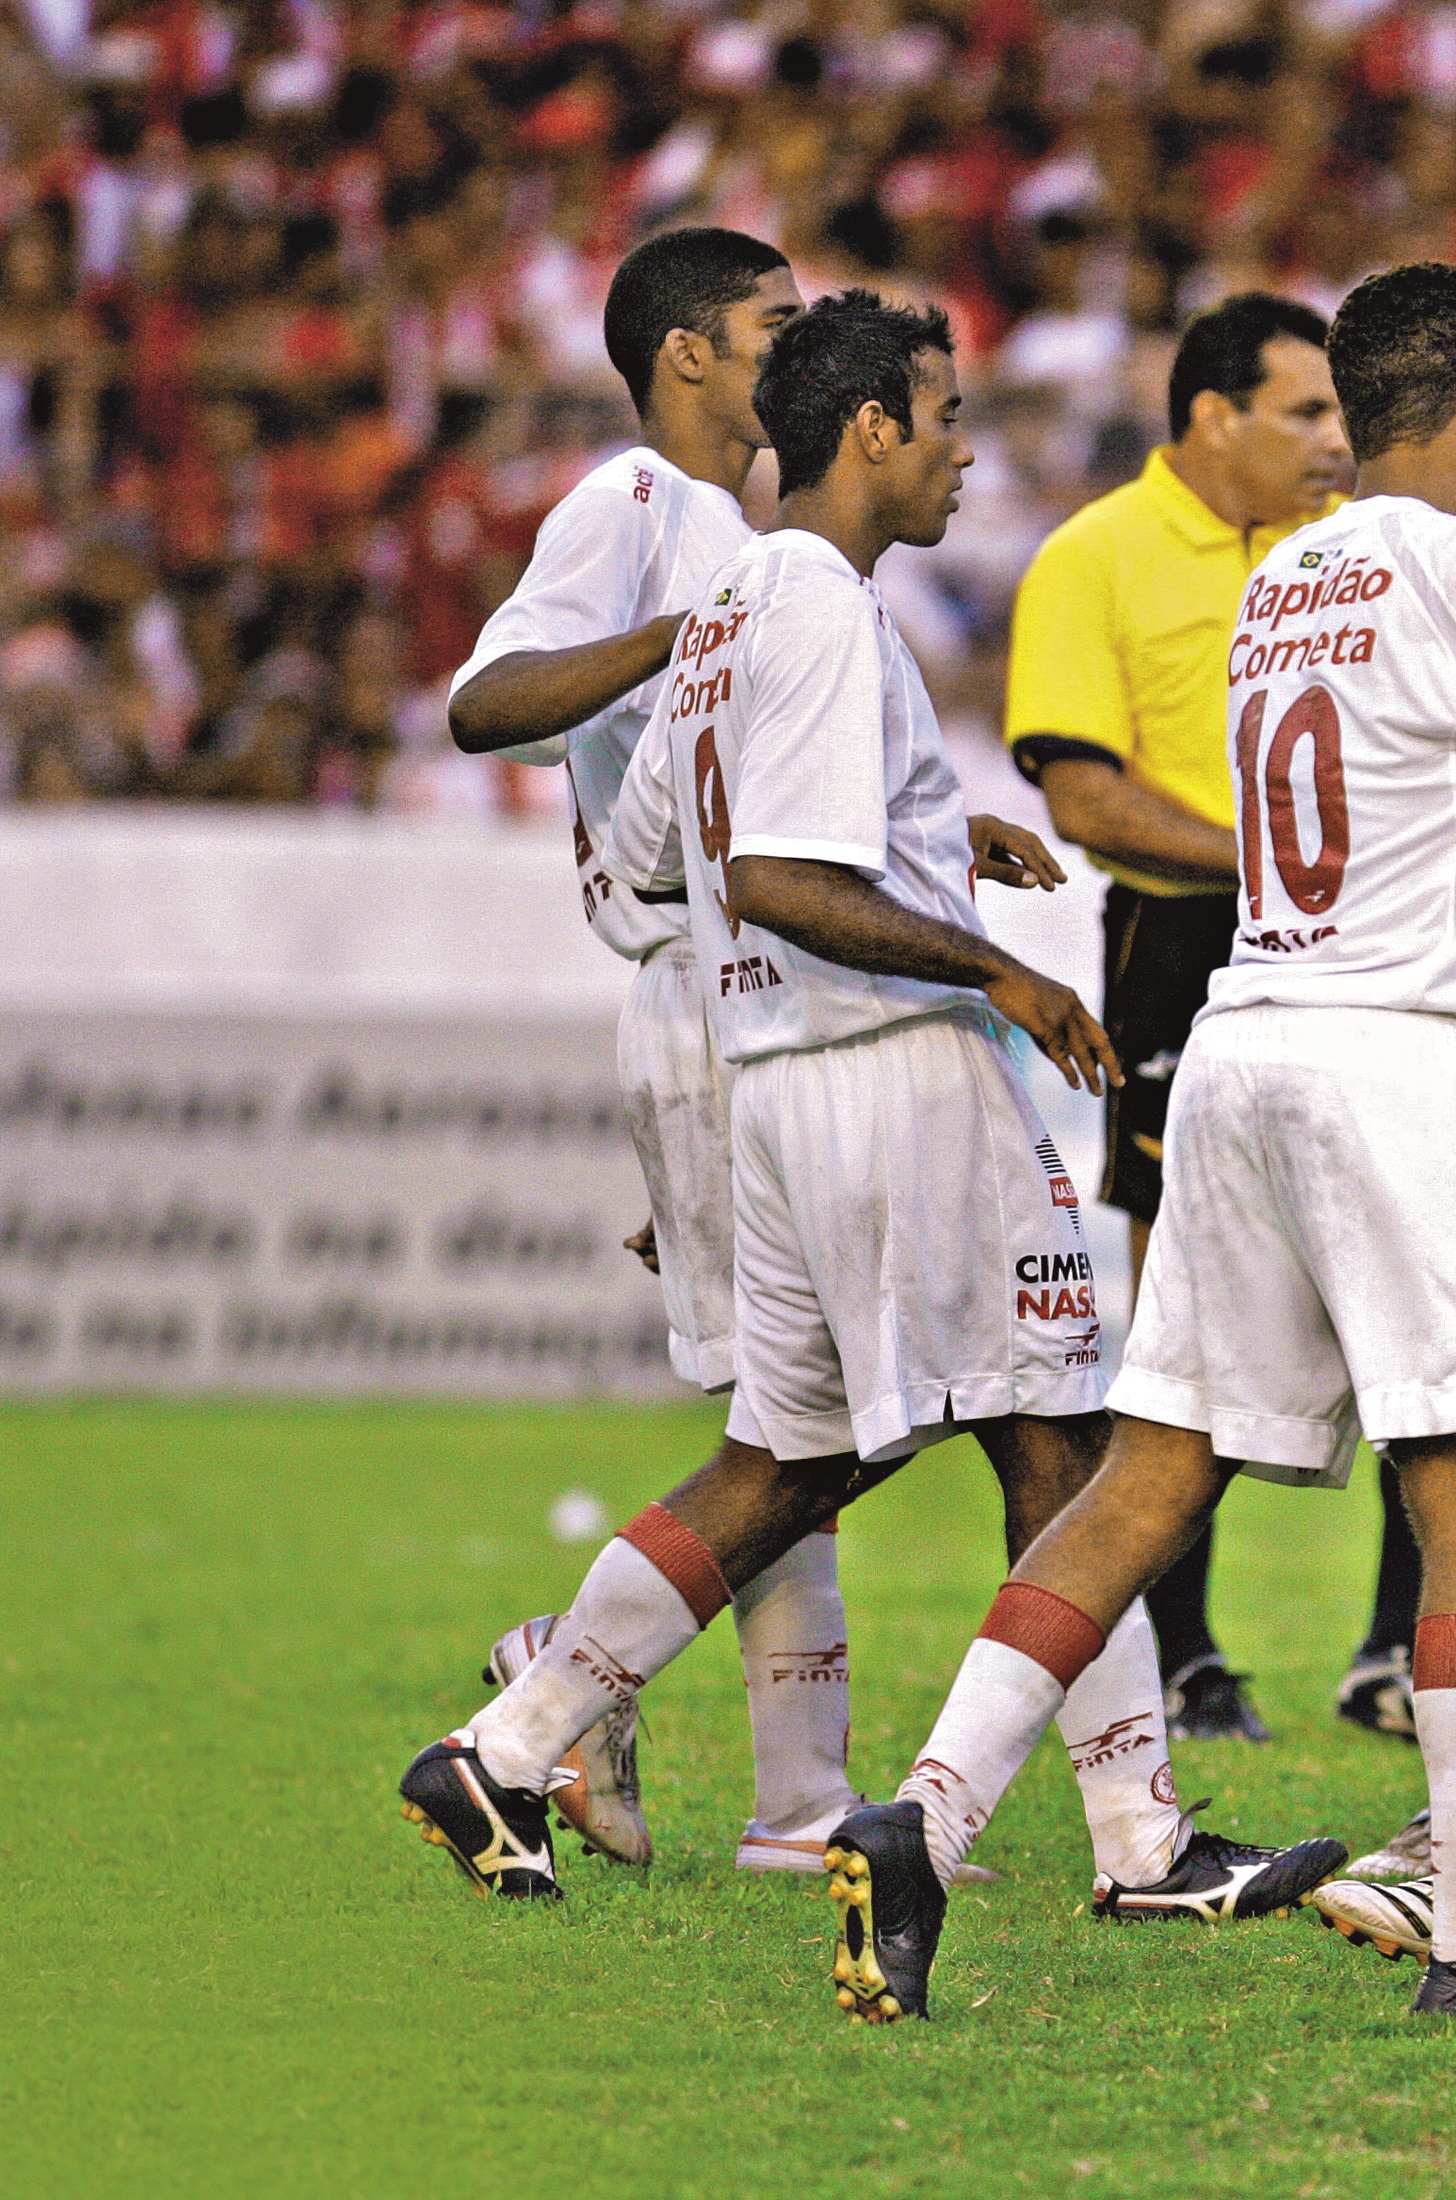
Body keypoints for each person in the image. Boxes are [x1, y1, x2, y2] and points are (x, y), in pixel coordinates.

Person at [808, 262, 1456, 2025]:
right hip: (1411, 1055)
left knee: (1150, 1478)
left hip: (1253, 1034)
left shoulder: (1288, 578)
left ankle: (923, 1815)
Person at [403, 293, 1343, 1937]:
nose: (966, 451)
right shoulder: (825, 611)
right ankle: (1143, 1845)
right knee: (1063, 1442)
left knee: (788, 1458)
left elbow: (658, 860)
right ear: (868, 434)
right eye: (944, 416)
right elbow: (775, 874)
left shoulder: (725, 612)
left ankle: (510, 1739)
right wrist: (1003, 969)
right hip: (891, 1074)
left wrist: (920, 837)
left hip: (770, 1084)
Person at [435, 225, 842, 1876]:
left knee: (805, 1409)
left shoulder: (767, 531)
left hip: (763, 995)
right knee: (804, 1417)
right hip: (699, 987)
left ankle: (784, 1800)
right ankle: (572, 1714)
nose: (801, 356)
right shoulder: (634, 508)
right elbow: (483, 699)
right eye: (777, 329)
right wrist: (685, 639)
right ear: (690, 353)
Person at [1001, 293, 1352, 1744]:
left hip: (1353, 937)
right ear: (1215, 418)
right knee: (1182, 1294)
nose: (1338, 441)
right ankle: (1191, 1654)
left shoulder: (1347, 555)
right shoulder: (1094, 555)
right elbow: (1081, 795)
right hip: (1186, 937)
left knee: (1406, 1251)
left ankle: (1394, 1650)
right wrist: (1281, 859)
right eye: (1308, 413)